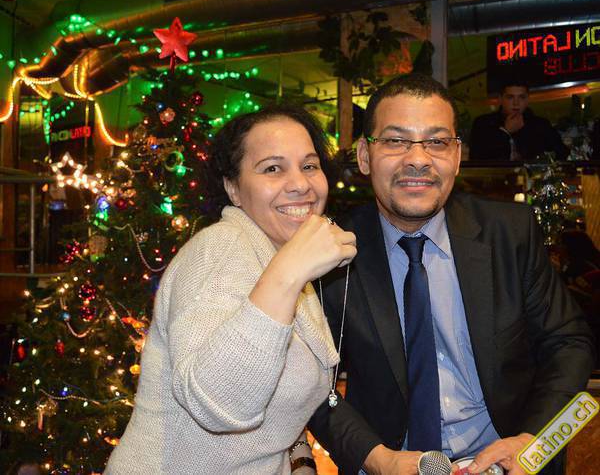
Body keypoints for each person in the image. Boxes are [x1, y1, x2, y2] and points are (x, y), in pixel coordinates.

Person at [308, 74, 595, 475]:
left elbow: (568, 343)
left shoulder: (508, 233)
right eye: (396, 141)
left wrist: (532, 441)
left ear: (457, 157)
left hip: (507, 458)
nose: (418, 159)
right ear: (364, 155)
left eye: (437, 142)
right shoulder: (330, 255)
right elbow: (310, 385)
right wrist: (377, 459)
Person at [105, 105, 357, 473]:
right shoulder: (221, 249)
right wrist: (289, 272)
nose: (300, 184)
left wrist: (301, 460)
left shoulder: (274, 256)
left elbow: (276, 400)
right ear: (233, 188)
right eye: (273, 169)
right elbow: (217, 402)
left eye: (309, 166)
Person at [469, 80, 568, 161]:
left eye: (521, 97)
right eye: (510, 97)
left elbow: (562, 153)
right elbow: (477, 157)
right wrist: (505, 132)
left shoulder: (540, 125)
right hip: (493, 177)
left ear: (527, 99)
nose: (516, 103)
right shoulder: (483, 123)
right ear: (500, 99)